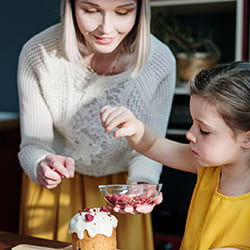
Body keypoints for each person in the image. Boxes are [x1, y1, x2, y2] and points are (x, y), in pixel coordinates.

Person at [17, 0, 176, 249]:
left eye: (123, 12)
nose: (106, 28)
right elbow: (32, 146)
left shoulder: (159, 61)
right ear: (69, 6)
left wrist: (143, 184)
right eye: (90, 11)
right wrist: (41, 163)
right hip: (57, 190)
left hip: (123, 192)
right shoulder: (38, 53)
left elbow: (150, 146)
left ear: (140, 9)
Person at [100, 61, 250, 250]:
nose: (189, 134)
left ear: (247, 139)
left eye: (204, 130)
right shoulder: (206, 167)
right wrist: (135, 129)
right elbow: (153, 145)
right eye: (193, 123)